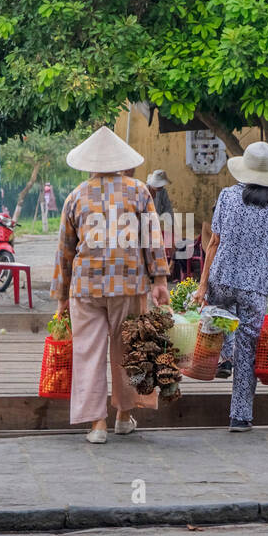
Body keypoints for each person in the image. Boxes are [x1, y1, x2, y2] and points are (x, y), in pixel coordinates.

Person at [53, 127, 169, 445]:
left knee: (89, 353)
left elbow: (64, 251)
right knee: (127, 349)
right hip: (129, 284)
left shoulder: (75, 196)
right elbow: (152, 240)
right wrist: (160, 281)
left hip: (84, 287)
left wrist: (61, 297)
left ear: (89, 163)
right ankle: (123, 416)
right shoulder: (139, 191)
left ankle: (98, 424)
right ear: (121, 162)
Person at [193, 141, 268, 433]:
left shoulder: (227, 196)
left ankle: (224, 357)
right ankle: (240, 417)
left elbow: (214, 242)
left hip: (221, 278)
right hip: (255, 287)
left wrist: (202, 284)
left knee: (221, 317)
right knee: (248, 350)